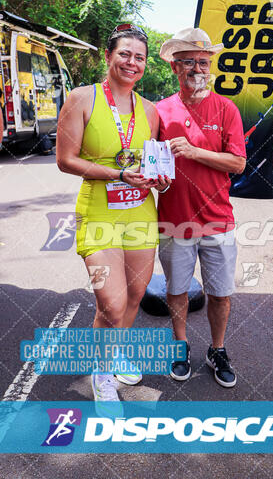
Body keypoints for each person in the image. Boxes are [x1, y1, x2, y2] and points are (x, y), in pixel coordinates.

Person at [56, 24, 170, 406]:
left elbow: (150, 164)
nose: (131, 62)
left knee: (136, 295)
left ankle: (115, 351)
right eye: (124, 54)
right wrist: (117, 174)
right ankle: (101, 378)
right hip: (99, 212)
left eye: (139, 57)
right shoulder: (81, 99)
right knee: (112, 303)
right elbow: (65, 160)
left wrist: (158, 181)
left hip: (140, 213)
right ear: (108, 57)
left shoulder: (150, 111)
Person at [156, 27, 246, 388]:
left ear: (211, 66)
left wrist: (195, 153)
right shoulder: (160, 111)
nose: (197, 68)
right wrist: (158, 180)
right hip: (173, 220)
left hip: (217, 221)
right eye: (189, 61)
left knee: (220, 292)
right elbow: (155, 165)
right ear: (175, 68)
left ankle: (217, 349)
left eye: (203, 62)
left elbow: (237, 163)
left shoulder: (226, 109)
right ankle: (180, 345)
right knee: (177, 289)